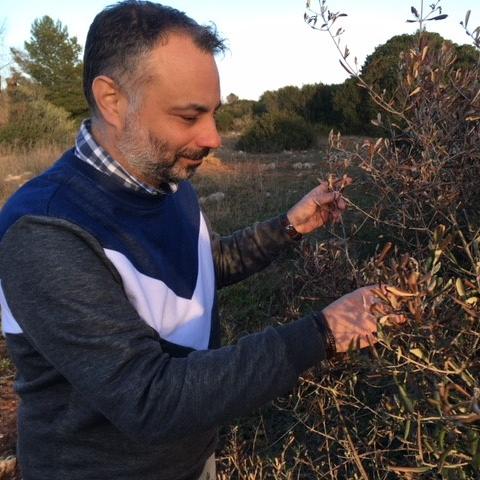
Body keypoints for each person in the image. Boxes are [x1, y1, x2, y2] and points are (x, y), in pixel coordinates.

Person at [0, 2, 386, 479]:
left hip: (191, 457)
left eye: (215, 113)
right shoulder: (46, 231)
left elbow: (202, 266)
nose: (213, 137)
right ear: (112, 100)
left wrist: (288, 227)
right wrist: (323, 333)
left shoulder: (165, 182)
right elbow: (148, 399)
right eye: (189, 116)